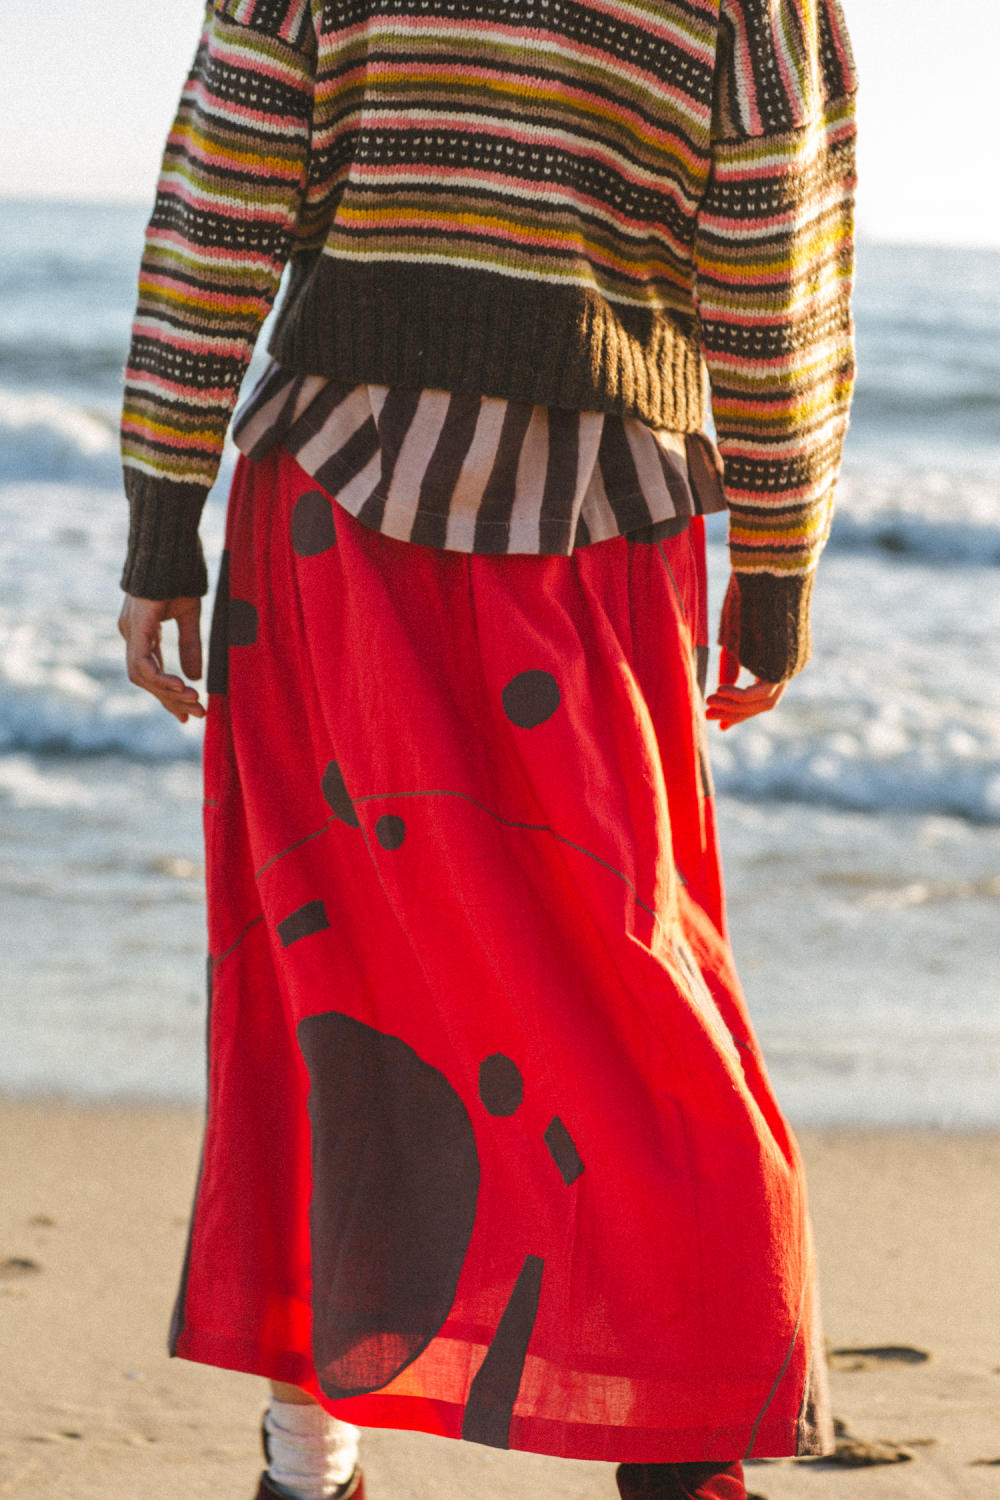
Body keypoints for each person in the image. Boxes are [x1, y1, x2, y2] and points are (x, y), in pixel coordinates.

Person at [117, 2, 857, 1497]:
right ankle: (672, 1441)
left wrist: (162, 516)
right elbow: (772, 267)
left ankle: (308, 1459)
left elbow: (225, 194)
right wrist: (776, 560)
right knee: (629, 981)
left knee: (323, 973)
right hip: (594, 536)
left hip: (331, 509)